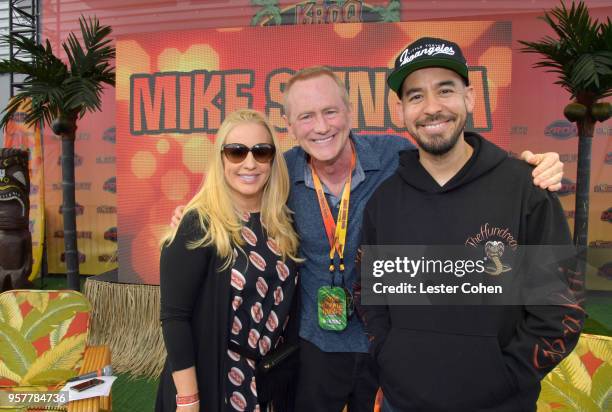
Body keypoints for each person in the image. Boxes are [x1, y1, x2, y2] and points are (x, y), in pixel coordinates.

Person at [171, 66, 566, 411]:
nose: (321, 127)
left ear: (350, 112)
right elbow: (232, 187)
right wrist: (188, 214)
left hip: (386, 349)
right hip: (314, 345)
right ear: (289, 126)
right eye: (306, 116)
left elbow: (459, 159)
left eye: (330, 111)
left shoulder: (396, 156)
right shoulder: (280, 172)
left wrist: (530, 164)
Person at [358, 37, 584, 411]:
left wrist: (505, 376)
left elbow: (561, 310)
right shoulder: (384, 202)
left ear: (470, 98)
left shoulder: (526, 190)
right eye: (416, 96)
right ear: (399, 111)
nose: (432, 108)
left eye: (444, 90)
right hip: (404, 402)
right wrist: (389, 357)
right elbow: (371, 296)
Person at [156, 109, 301, 412]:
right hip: (215, 383)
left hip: (268, 380)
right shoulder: (198, 223)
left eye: (261, 152)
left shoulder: (284, 221)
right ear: (220, 159)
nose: (250, 163)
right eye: (236, 152)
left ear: (273, 159)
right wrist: (188, 399)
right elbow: (175, 318)